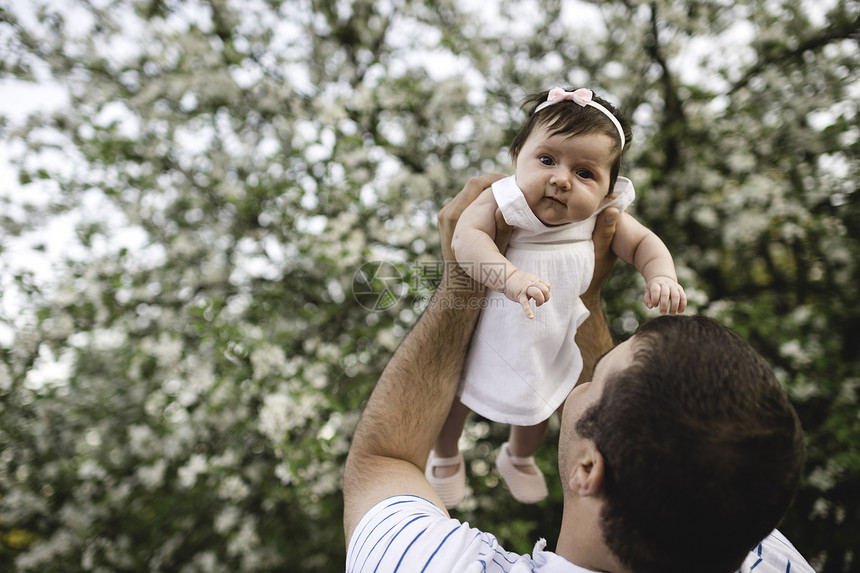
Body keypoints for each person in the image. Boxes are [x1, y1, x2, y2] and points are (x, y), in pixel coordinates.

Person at [342, 174, 813, 572]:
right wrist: (579, 297)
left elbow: (383, 462)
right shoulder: (760, 546)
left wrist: (463, 283)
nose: (579, 381)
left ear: (589, 468)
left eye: (597, 376)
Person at [429, 87, 686, 508]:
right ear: (517, 159)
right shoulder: (505, 199)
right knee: (453, 396)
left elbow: (645, 246)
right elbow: (467, 238)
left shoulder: (602, 217)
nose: (561, 179)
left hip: (550, 336)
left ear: (607, 190)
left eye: (585, 173)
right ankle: (444, 456)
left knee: (544, 402)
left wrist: (662, 277)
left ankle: (518, 456)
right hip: (485, 330)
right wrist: (508, 277)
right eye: (546, 160)